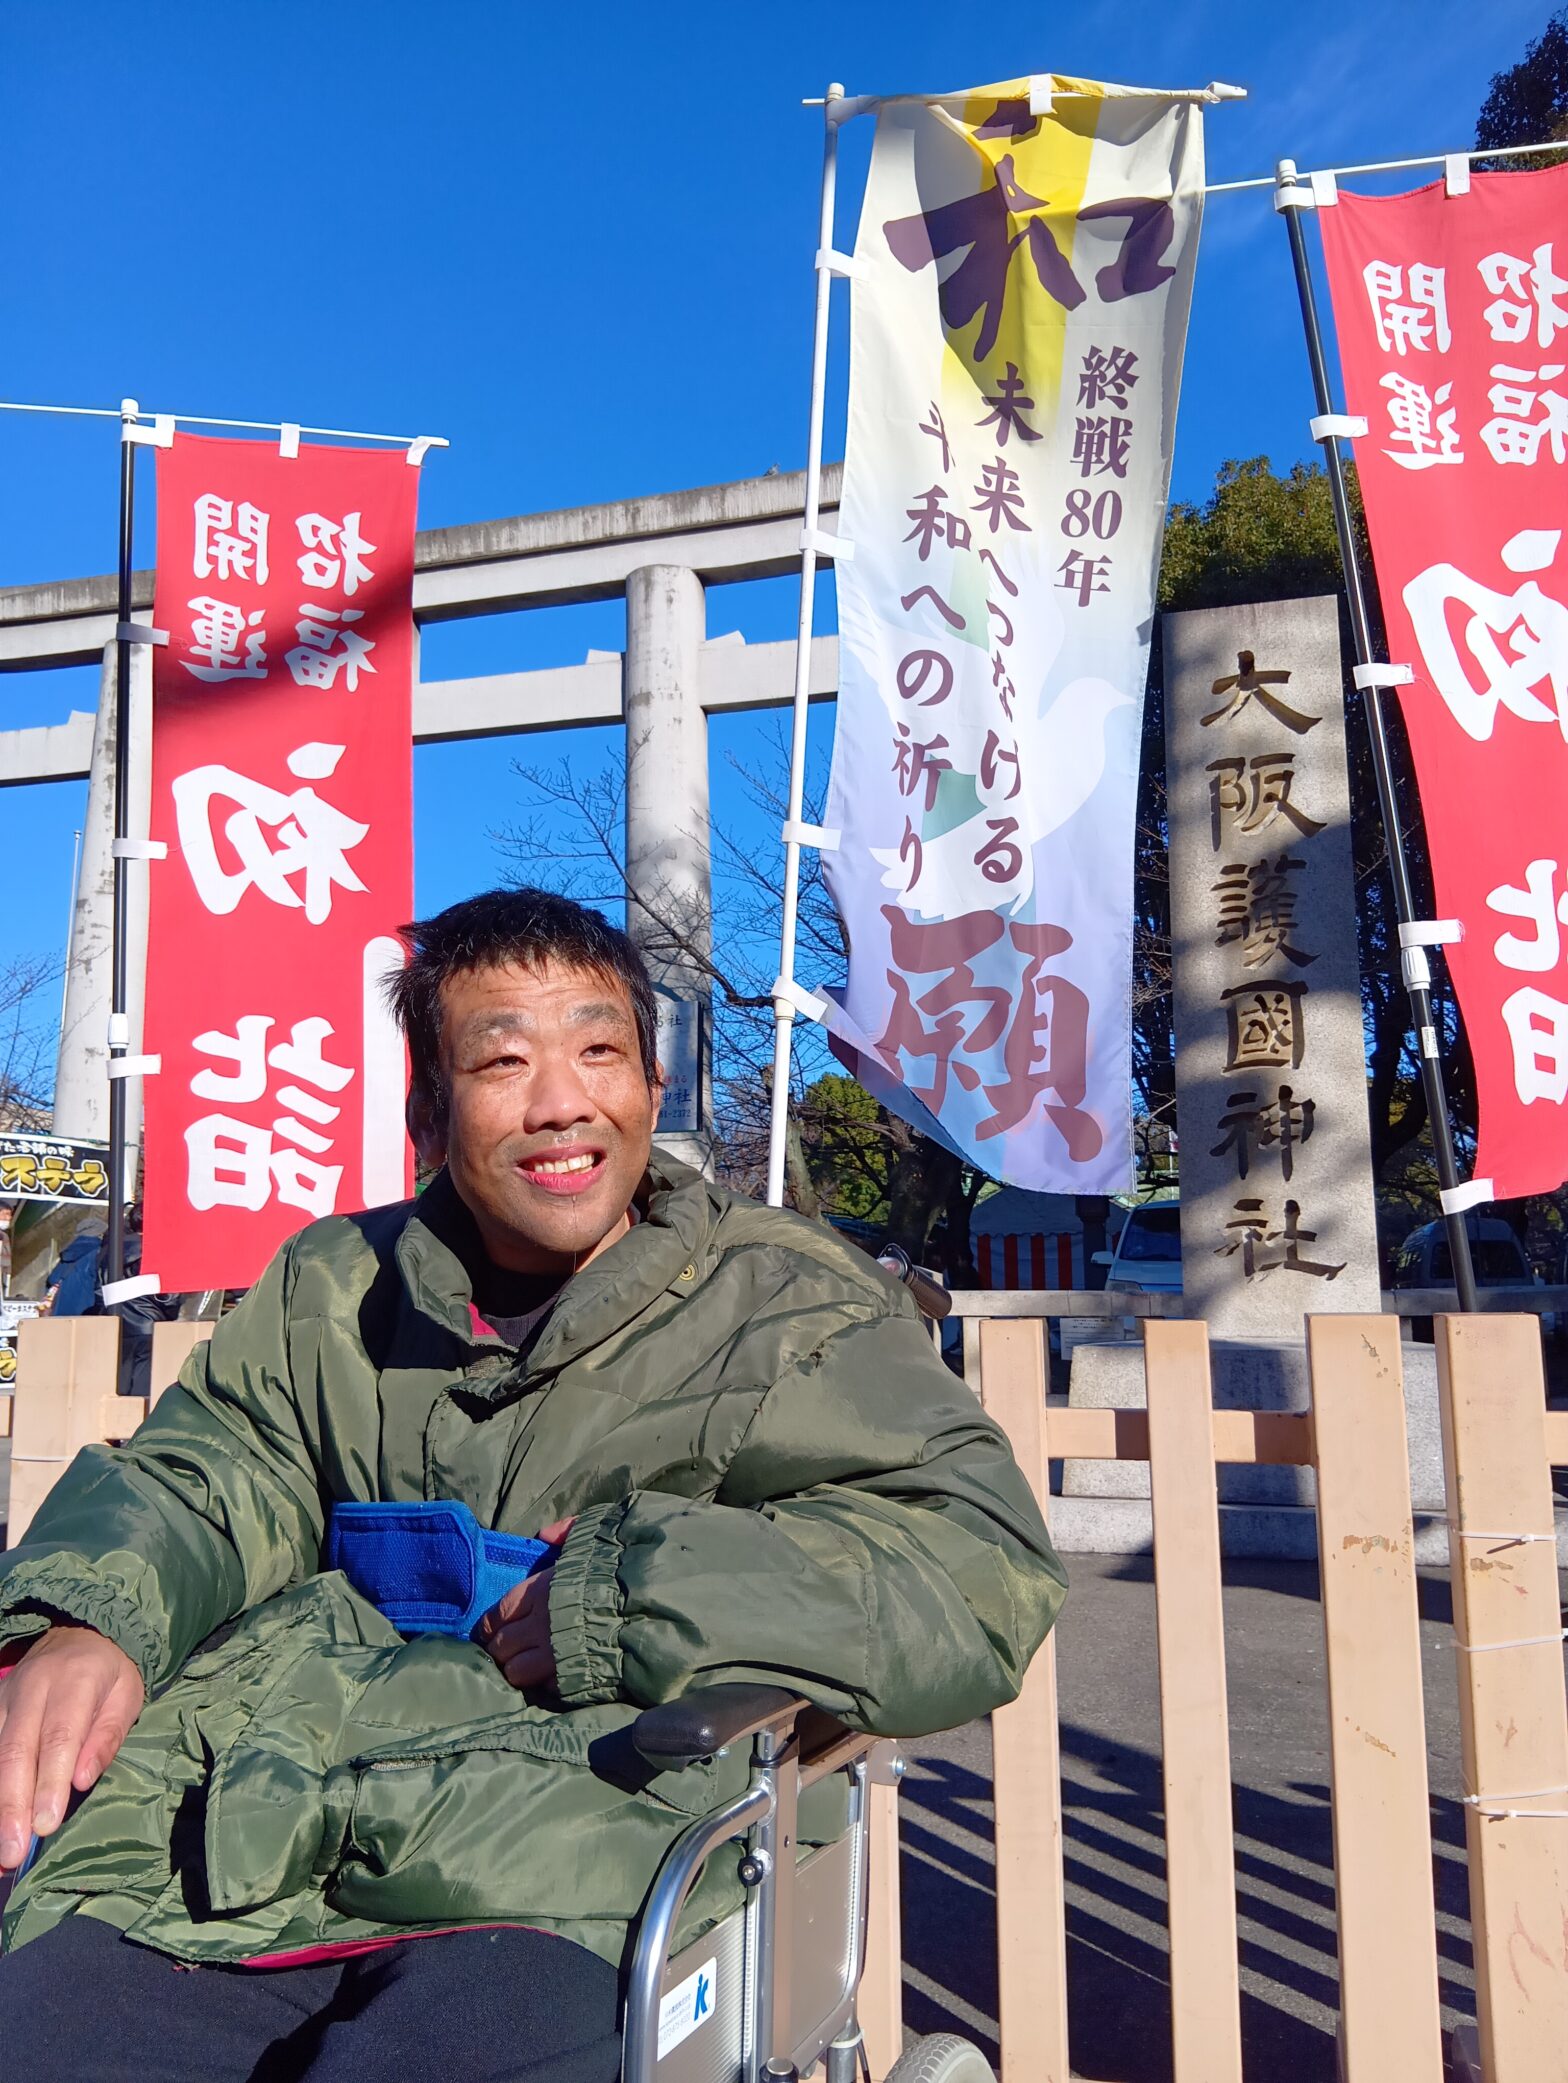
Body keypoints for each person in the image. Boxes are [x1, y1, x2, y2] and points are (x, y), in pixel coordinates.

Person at [0, 888, 1065, 2083]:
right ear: (427, 1109)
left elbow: (973, 1569)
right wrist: (92, 1616)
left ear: (652, 1085)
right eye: (502, 1060)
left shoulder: (788, 1308)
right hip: (242, 1839)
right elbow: (215, 1471)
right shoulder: (331, 1286)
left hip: (578, 1870)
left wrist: (634, 1593)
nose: (561, 1101)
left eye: (598, 1050)